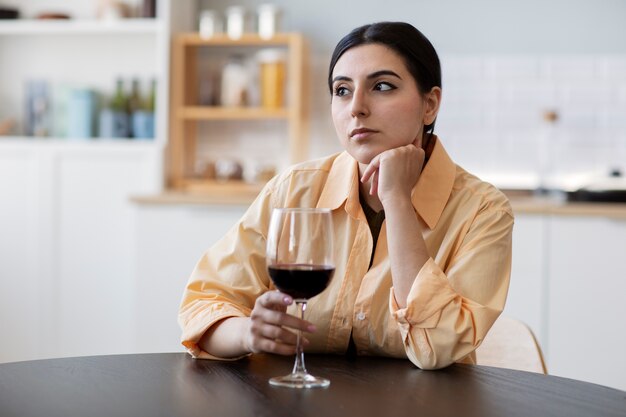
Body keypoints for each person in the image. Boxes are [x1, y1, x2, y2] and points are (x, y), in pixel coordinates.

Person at [178, 21, 513, 370]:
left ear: (430, 105)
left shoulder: (483, 212)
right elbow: (203, 303)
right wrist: (248, 333)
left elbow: (438, 348)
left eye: (382, 86)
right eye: (342, 90)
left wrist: (397, 200)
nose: (356, 107)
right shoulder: (293, 190)